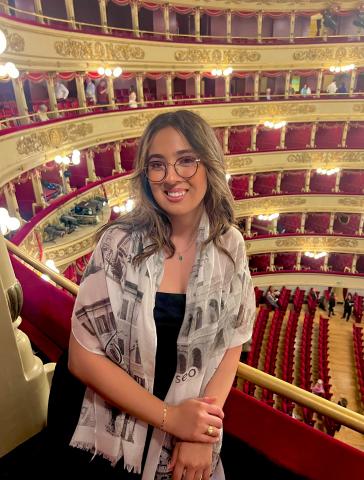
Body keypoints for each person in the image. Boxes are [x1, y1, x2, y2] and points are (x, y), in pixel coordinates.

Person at [47, 110, 256, 479]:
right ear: (146, 176)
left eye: (186, 161)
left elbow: (232, 341)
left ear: (209, 164)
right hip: (103, 420)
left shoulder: (229, 246)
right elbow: (82, 359)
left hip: (181, 420)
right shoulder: (119, 243)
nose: (171, 176)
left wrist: (201, 431)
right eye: (157, 165)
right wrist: (171, 419)